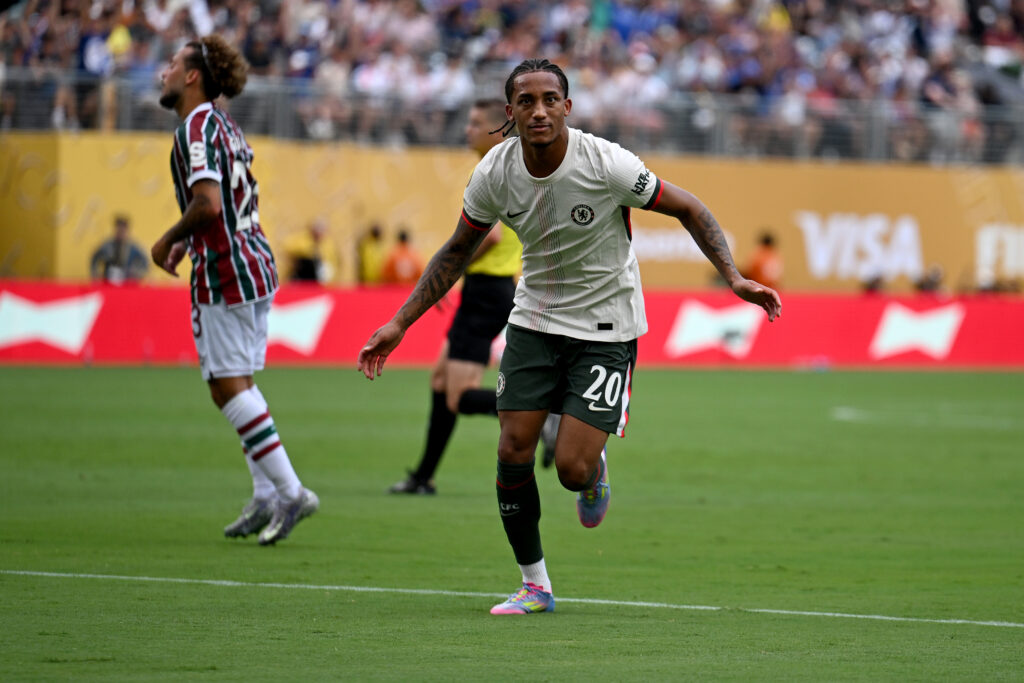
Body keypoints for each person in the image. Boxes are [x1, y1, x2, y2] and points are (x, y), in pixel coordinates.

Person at [358, 59, 781, 615]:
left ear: (567, 107)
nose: (539, 110)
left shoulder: (606, 162)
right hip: (533, 318)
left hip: (607, 324)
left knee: (571, 471)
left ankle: (594, 471)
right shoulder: (494, 173)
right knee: (511, 449)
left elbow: (689, 207)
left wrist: (732, 277)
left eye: (550, 99)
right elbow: (457, 249)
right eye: (526, 101)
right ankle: (535, 585)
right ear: (508, 112)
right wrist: (399, 322)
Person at [150, 34, 318, 546]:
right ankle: (267, 495)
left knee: (225, 386)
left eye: (173, 64)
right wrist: (189, 240)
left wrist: (167, 239)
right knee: (239, 382)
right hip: (252, 260)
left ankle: (291, 493)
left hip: (227, 270)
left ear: (193, 75)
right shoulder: (223, 124)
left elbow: (208, 205)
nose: (165, 72)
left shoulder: (196, 127)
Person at [388, 98, 558, 496]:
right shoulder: (514, 166)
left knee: (459, 396)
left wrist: (452, 270)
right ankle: (423, 476)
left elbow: (492, 234)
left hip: (487, 291)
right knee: (440, 380)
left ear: (497, 128)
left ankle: (544, 413)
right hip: (491, 289)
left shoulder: (496, 170)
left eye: (475, 122)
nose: (467, 130)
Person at [90, 214, 149, 283]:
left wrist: (137, 274)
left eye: (123, 229)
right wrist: (95, 274)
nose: (120, 232)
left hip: (126, 281)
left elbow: (144, 261)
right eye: (118, 229)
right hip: (108, 280)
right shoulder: (107, 245)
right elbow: (95, 258)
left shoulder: (133, 247)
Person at [284, 218, 340, 284]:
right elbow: (289, 248)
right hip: (302, 274)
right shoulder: (303, 239)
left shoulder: (328, 244)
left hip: (319, 277)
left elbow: (333, 262)